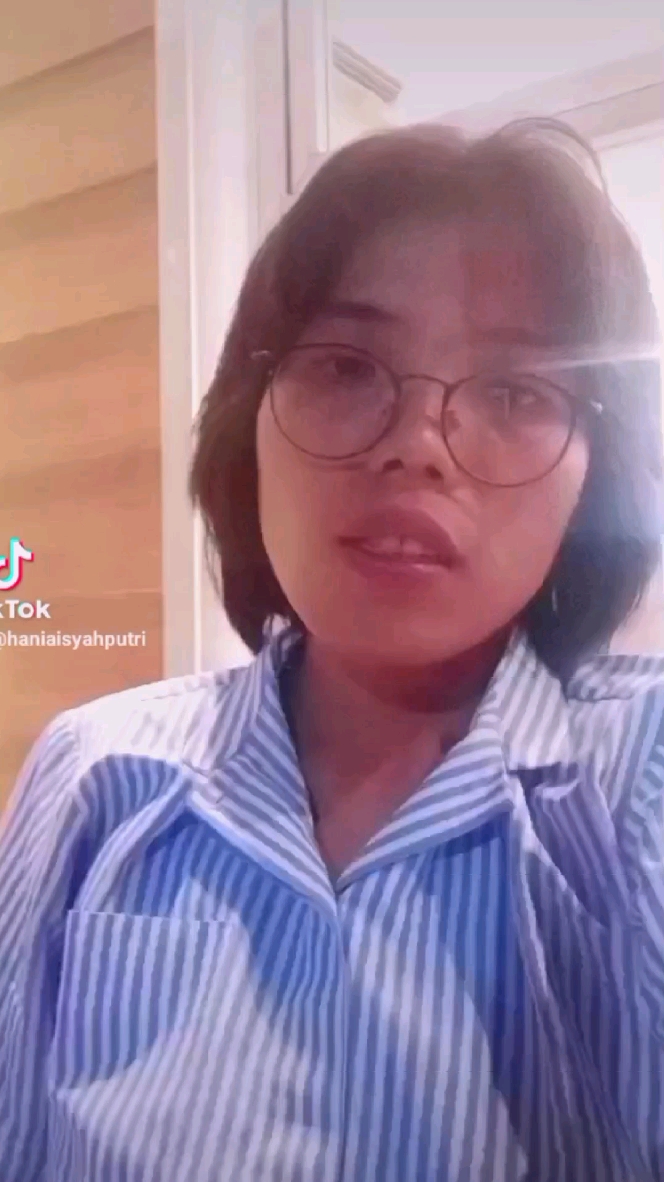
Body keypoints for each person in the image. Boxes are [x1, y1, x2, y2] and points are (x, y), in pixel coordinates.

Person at [1, 118, 663, 1182]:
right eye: (347, 366)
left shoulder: (638, 780)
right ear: (246, 420)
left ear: (599, 473)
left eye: (515, 392)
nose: (418, 446)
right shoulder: (98, 776)